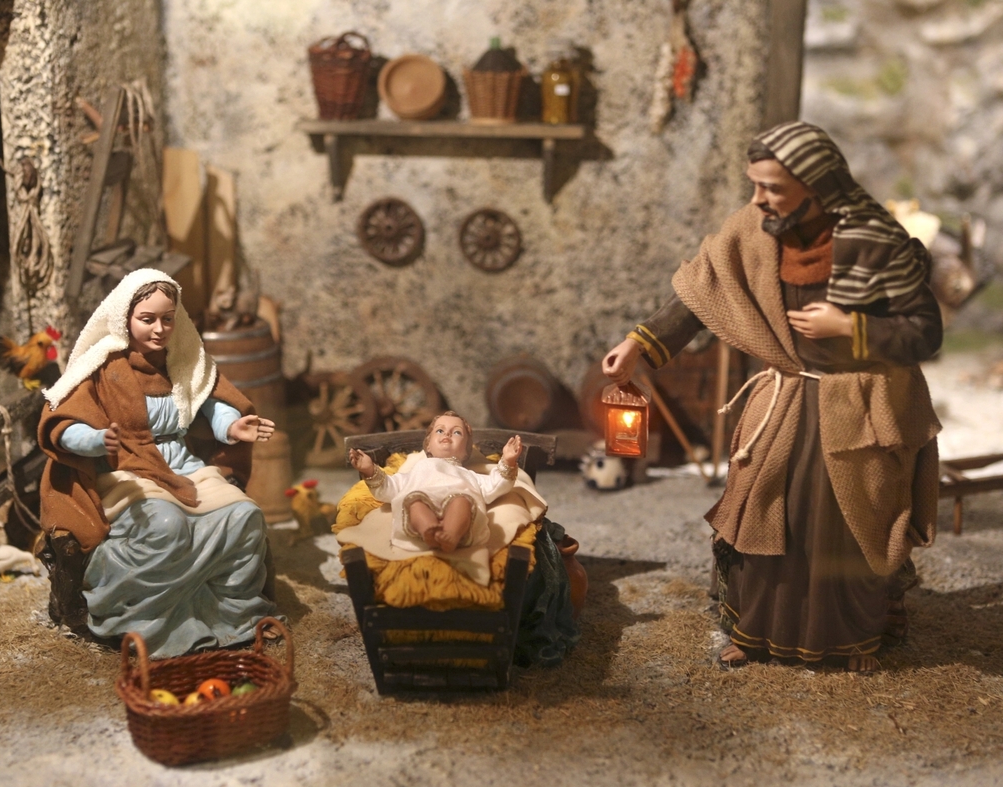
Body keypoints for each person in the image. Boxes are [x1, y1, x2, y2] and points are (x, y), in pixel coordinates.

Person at [602, 121, 942, 673]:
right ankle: (753, 632)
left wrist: (849, 327)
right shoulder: (755, 228)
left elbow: (923, 331)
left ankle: (853, 637)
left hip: (859, 405)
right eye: (754, 185)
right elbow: (702, 290)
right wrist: (639, 343)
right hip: (784, 400)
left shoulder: (875, 240)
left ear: (818, 183)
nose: (759, 200)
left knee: (846, 523)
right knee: (760, 512)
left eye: (773, 188)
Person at [38, 269, 279, 658]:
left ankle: (231, 616)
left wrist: (231, 426)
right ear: (124, 318)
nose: (160, 329)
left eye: (168, 318)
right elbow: (64, 425)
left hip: (182, 464)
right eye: (147, 319)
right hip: (125, 469)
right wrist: (96, 440)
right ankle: (152, 622)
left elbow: (208, 402)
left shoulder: (183, 360)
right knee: (165, 525)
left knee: (245, 516)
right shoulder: (102, 366)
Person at [348, 412, 522, 554]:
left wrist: (508, 461)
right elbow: (389, 488)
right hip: (421, 509)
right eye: (440, 430)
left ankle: (451, 535)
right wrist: (369, 470)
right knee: (414, 502)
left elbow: (496, 484)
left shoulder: (469, 475)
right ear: (428, 446)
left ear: (466, 451)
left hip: (460, 516)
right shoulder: (417, 469)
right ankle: (428, 530)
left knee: (462, 501)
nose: (447, 434)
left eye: (457, 432)